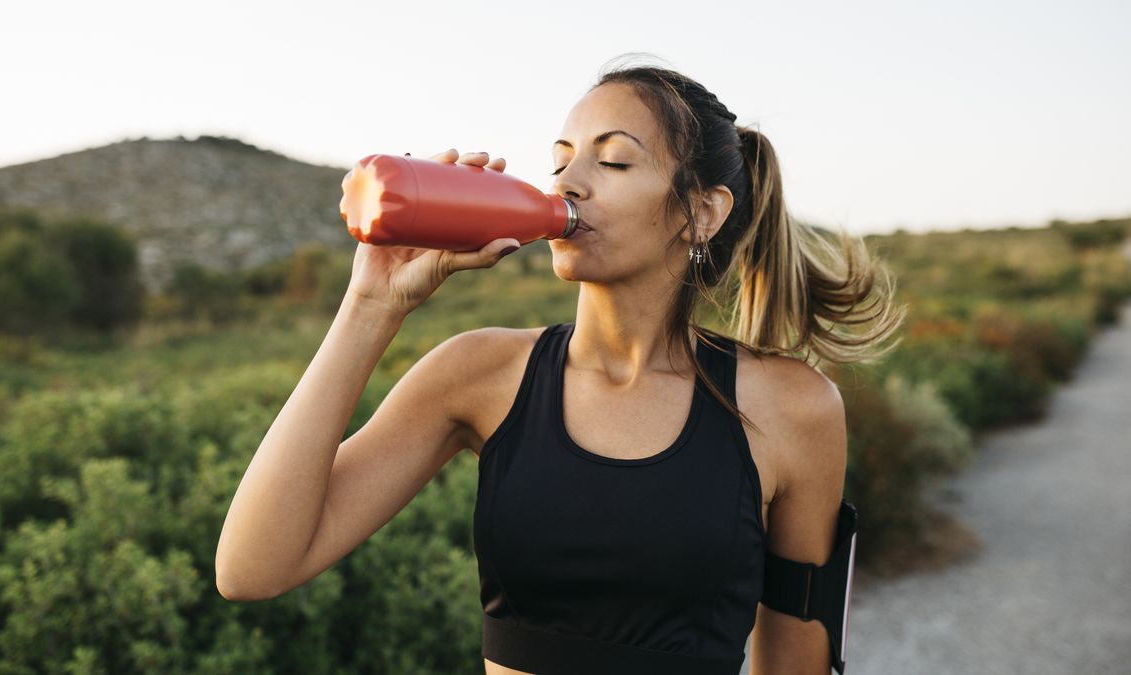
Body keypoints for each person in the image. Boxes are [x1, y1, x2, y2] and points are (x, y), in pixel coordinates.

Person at [216, 56, 906, 674]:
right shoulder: (479, 373)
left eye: (612, 162)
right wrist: (371, 303)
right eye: (560, 160)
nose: (568, 183)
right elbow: (252, 567)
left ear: (701, 212)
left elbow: (797, 665)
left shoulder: (791, 407)